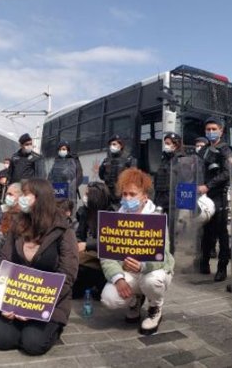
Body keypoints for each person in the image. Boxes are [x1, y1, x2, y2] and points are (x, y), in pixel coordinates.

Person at [0, 179, 78, 356]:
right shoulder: (17, 225)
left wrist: (35, 307)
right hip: (16, 297)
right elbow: (4, 264)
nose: (20, 198)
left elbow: (67, 274)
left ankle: (52, 327)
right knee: (2, 340)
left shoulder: (62, 230)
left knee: (33, 344)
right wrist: (5, 303)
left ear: (40, 198)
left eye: (25, 194)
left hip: (49, 301)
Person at [100, 168, 174, 335]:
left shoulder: (156, 217)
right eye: (124, 194)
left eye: (132, 194)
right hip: (127, 272)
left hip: (152, 271)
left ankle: (155, 307)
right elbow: (106, 255)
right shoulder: (114, 219)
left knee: (151, 282)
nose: (127, 199)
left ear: (144, 196)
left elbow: (164, 255)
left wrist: (143, 266)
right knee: (109, 299)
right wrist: (118, 278)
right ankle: (135, 299)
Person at [198, 117, 232, 282]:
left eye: (214, 129)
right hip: (203, 197)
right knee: (206, 232)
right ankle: (204, 263)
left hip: (218, 195)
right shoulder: (203, 150)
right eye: (208, 129)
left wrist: (208, 185)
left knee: (221, 232)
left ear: (221, 131)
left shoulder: (225, 149)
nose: (210, 132)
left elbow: (227, 173)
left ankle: (222, 268)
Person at [73, 181, 110, 299]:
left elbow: (111, 242)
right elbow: (79, 233)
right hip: (87, 255)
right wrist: (77, 242)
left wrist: (88, 245)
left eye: (87, 194)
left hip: (103, 255)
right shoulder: (84, 212)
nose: (84, 197)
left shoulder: (110, 214)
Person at [98, 134, 135, 210]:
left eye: (114, 144)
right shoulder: (106, 160)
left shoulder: (128, 160)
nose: (112, 146)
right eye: (111, 144)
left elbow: (133, 178)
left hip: (121, 195)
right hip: (107, 194)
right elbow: (101, 176)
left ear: (120, 146)